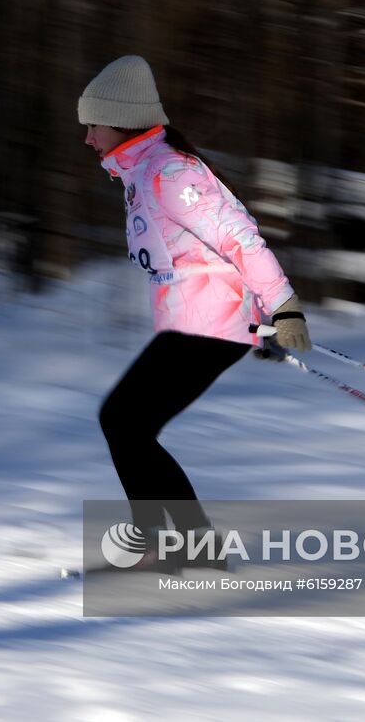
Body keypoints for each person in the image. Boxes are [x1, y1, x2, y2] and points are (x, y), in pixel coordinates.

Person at [80, 55, 311, 571]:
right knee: (129, 424)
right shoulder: (144, 171)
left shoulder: (168, 171)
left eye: (93, 125)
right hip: (202, 320)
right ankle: (191, 548)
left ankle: (182, 548)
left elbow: (239, 237)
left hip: (215, 320)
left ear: (120, 119)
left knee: (124, 421)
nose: (88, 138)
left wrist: (283, 307)